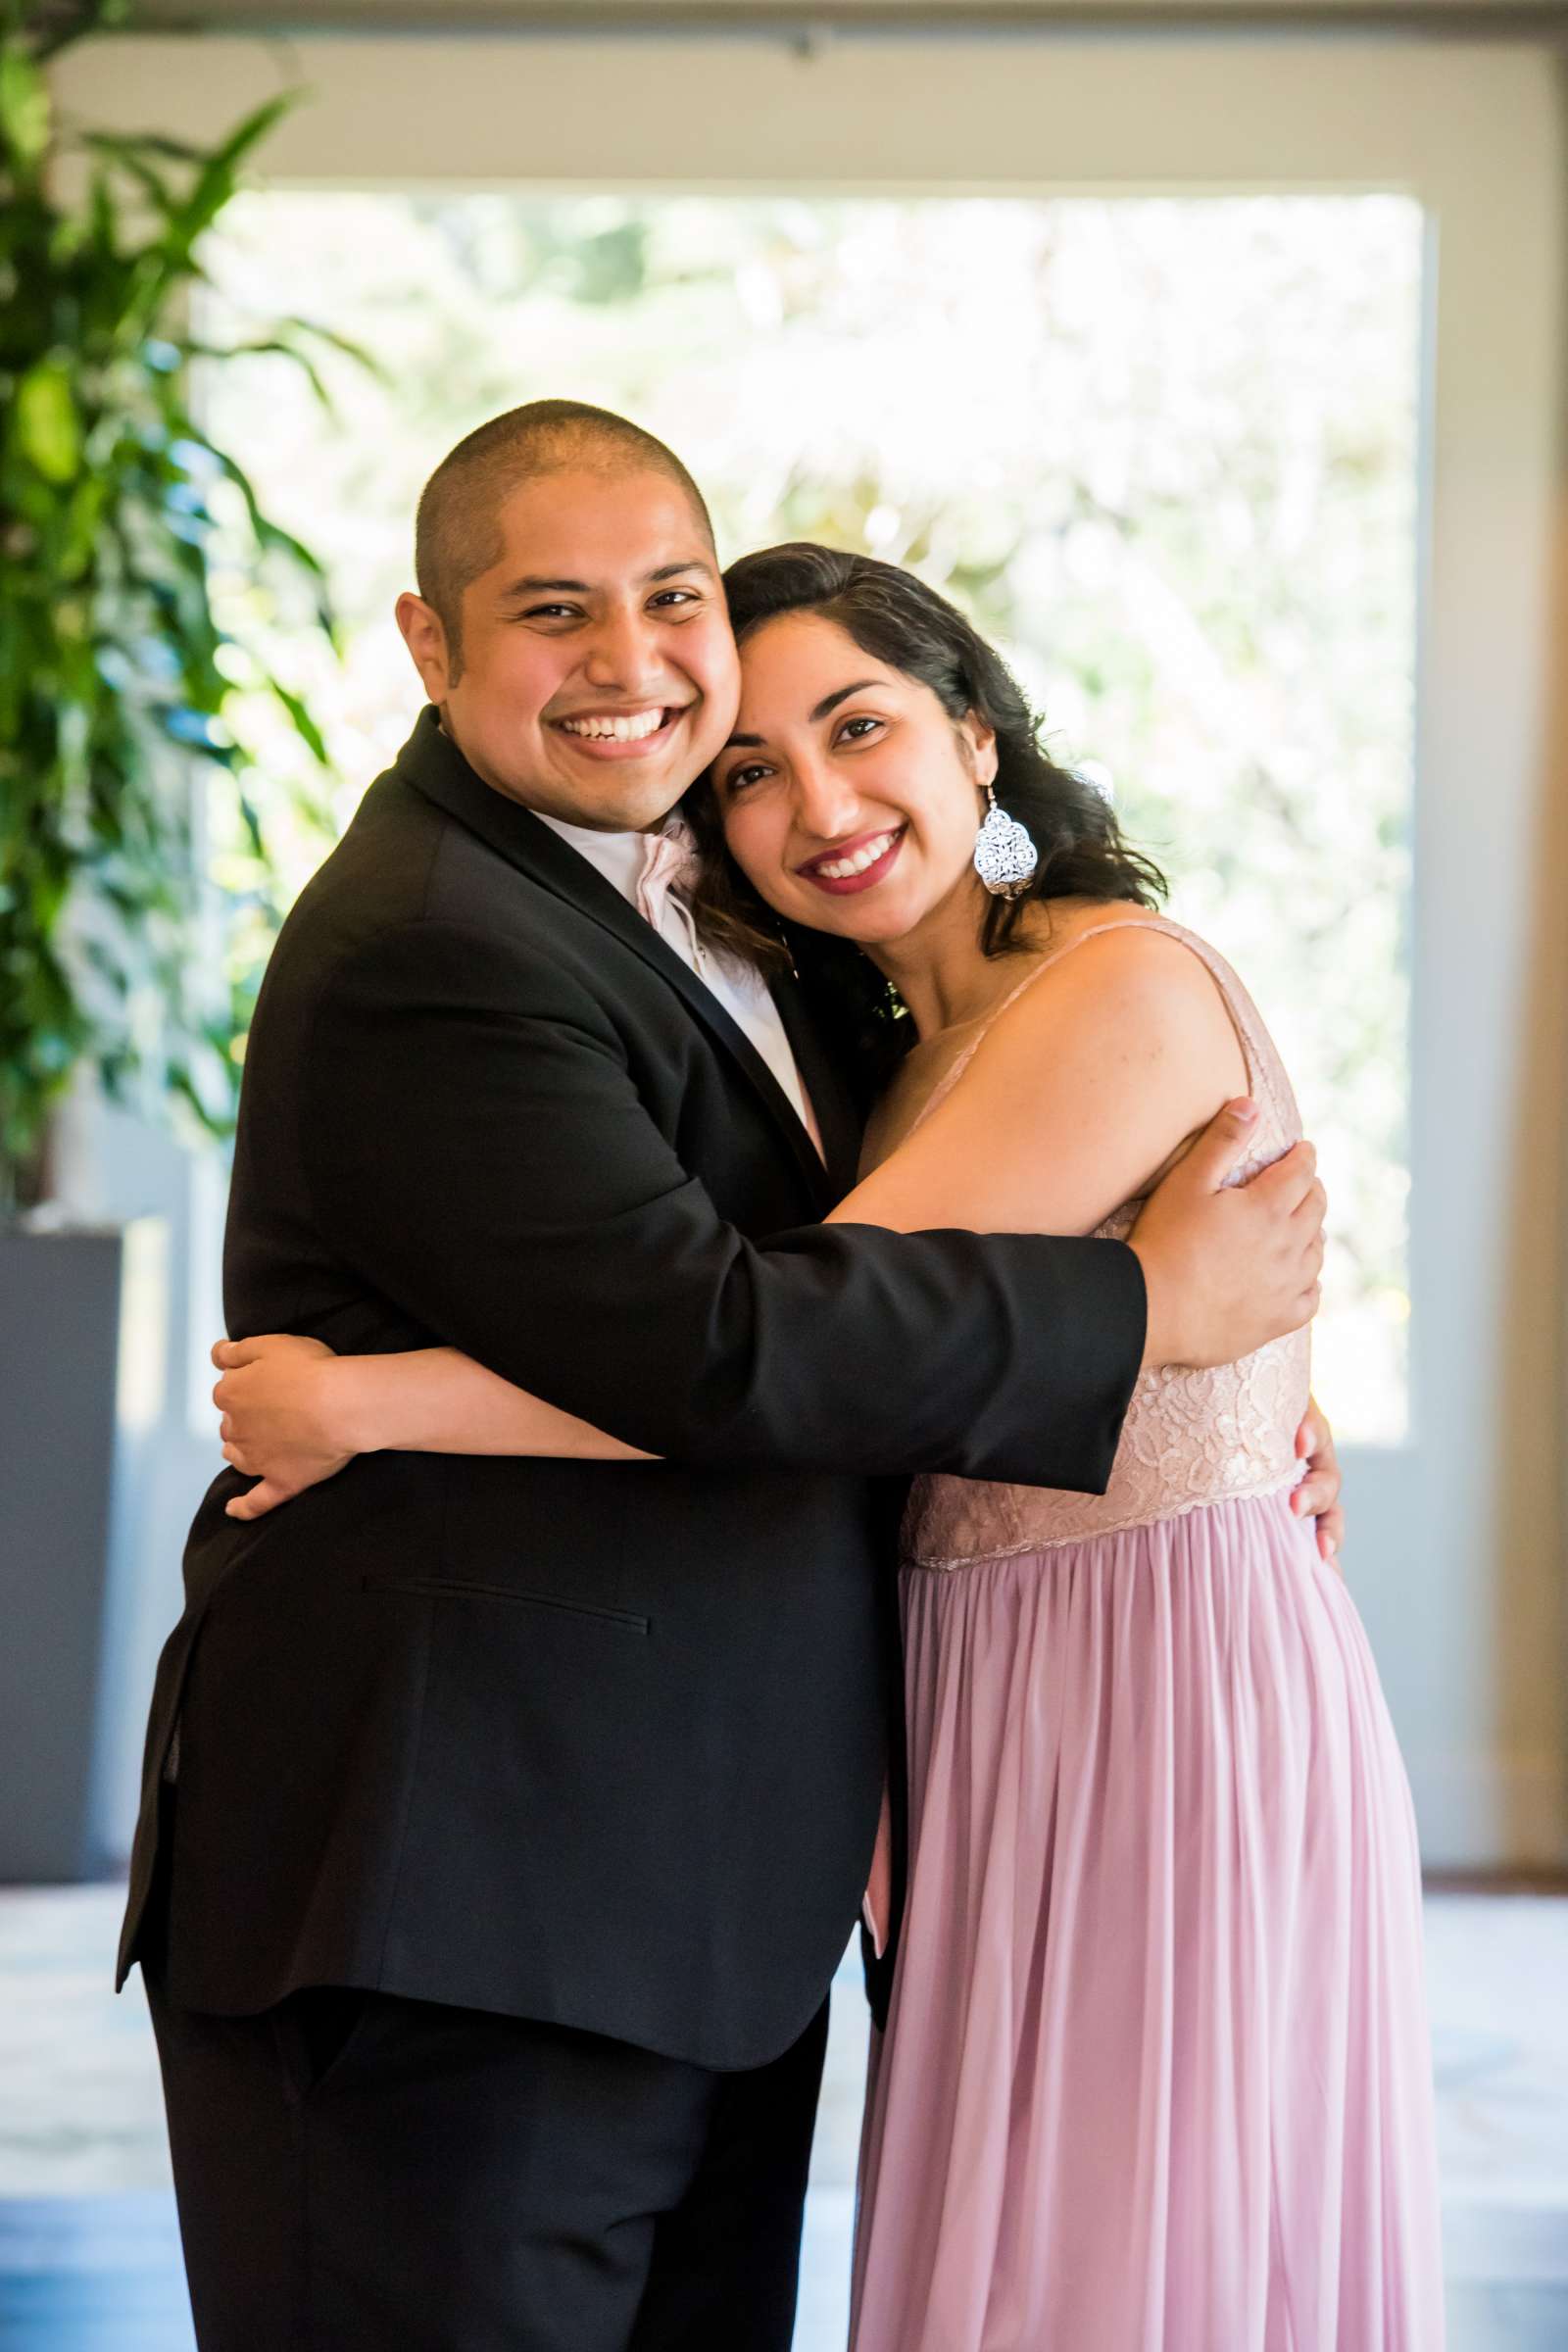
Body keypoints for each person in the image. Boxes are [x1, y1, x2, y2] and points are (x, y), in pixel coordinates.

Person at [126, 402, 1332, 2352]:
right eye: (551, 614)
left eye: (668, 598)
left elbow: (847, 1293)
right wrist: (1144, 1324)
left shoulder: (766, 946)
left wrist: (1227, 1397)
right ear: (431, 648)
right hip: (472, 1902)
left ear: (973, 731)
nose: (631, 665)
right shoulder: (441, 940)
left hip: (701, 1901)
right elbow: (726, 1343)